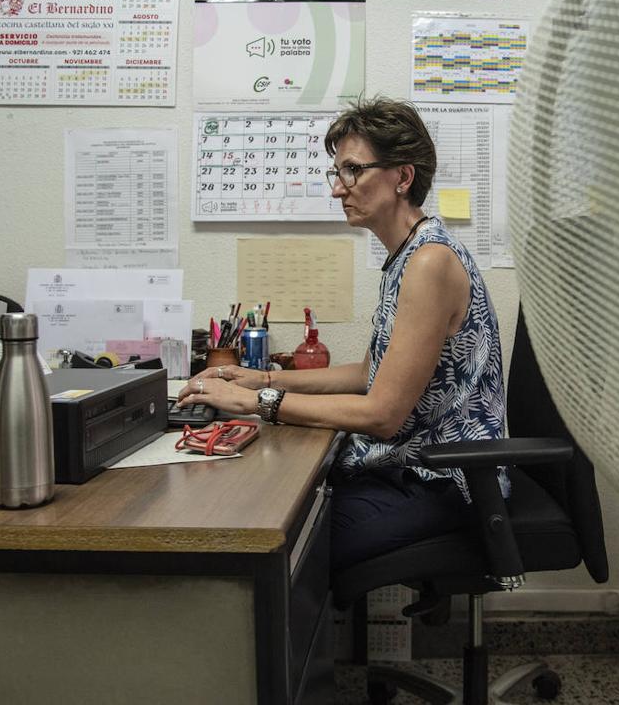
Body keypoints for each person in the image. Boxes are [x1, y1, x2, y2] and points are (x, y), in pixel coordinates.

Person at [176, 97, 507, 571]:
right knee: (283, 502)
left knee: (285, 540)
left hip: (444, 479)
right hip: (409, 467)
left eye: (352, 171)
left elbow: (382, 414)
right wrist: (263, 380)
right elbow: (374, 372)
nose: (338, 189)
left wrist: (257, 404)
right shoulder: (409, 254)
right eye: (337, 173)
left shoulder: (431, 262)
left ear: (402, 177)